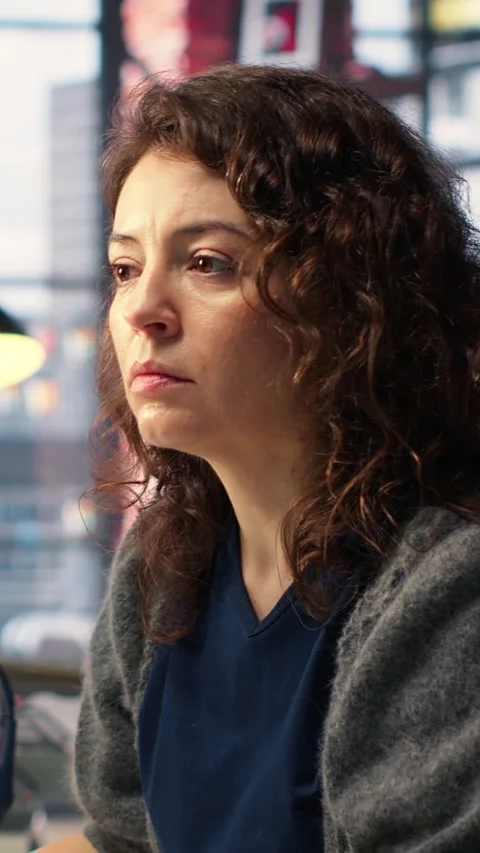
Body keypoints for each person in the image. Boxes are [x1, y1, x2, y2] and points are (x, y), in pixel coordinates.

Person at [37, 64, 480, 853]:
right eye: (125, 267)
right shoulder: (163, 567)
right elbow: (117, 841)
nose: (140, 308)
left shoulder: (447, 587)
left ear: (352, 300)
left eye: (208, 262)